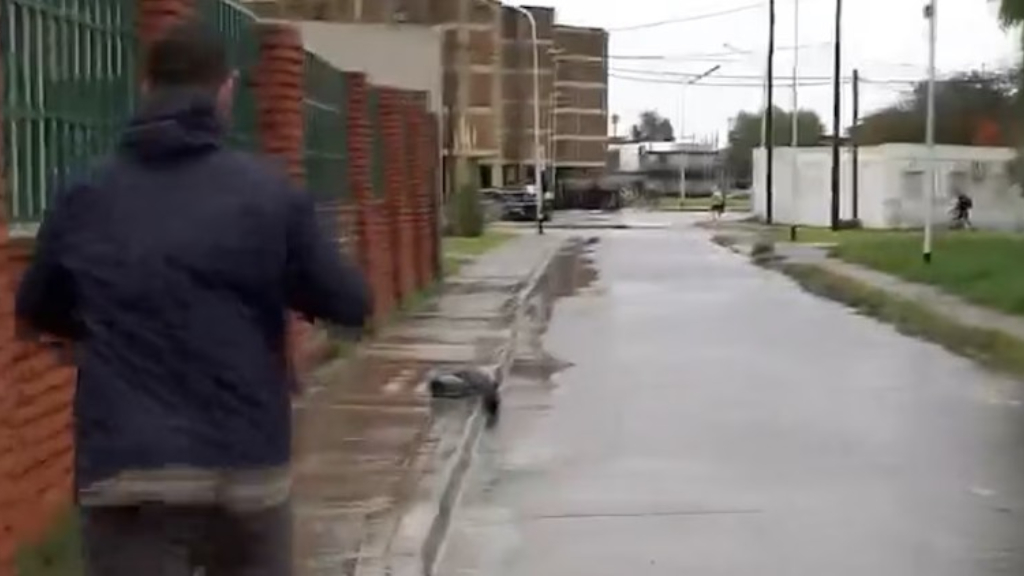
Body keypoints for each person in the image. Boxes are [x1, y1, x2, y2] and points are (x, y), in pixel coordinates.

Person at [15, 21, 371, 576]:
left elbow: (38, 306)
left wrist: (89, 330)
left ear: (144, 88)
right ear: (226, 90)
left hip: (128, 470)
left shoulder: (84, 196)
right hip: (244, 466)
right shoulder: (269, 195)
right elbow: (351, 302)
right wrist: (293, 302)